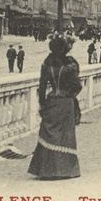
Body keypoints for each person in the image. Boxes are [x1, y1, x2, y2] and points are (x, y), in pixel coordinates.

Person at [28, 37, 82, 179]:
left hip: (52, 101)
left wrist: (43, 103)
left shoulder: (47, 65)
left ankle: (46, 170)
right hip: (65, 103)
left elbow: (42, 87)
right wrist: (70, 95)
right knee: (66, 135)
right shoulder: (70, 66)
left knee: (49, 134)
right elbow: (78, 86)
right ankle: (66, 169)